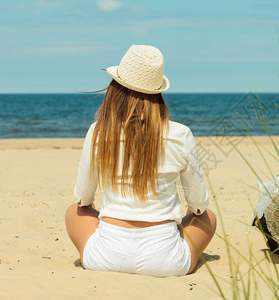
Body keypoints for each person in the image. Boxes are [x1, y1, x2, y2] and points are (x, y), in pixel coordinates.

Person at [65, 45, 216, 277]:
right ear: (158, 93)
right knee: (208, 218)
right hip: (166, 261)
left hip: (107, 256)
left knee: (73, 212)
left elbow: (83, 198)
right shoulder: (180, 134)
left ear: (115, 89)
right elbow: (198, 206)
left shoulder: (98, 132)